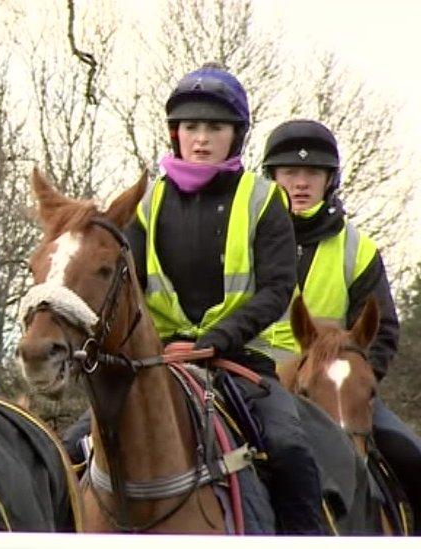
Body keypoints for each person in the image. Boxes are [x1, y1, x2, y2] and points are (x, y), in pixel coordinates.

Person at [123, 64, 325, 534]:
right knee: (78, 448)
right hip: (161, 361)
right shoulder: (144, 204)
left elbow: (277, 289)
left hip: (240, 360)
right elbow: (125, 289)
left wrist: (215, 340)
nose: (201, 138)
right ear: (175, 133)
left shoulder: (263, 199)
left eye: (215, 127)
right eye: (190, 126)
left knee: (290, 448)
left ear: (236, 136)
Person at [262, 119, 421, 528]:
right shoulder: (246, 238)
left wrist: (358, 382)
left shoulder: (358, 248)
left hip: (338, 388)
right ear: (272, 177)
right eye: (289, 173)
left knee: (409, 454)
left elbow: (382, 330)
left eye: (312, 173)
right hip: (256, 382)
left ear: (329, 180)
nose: (300, 183)